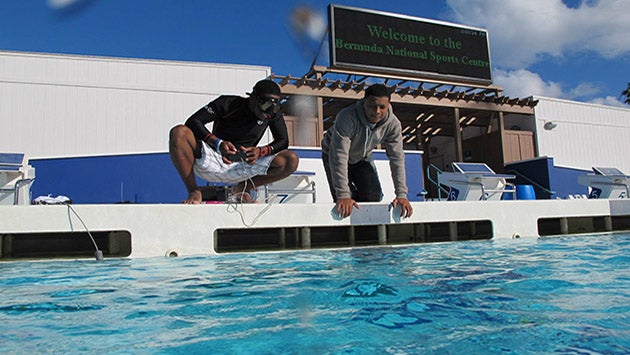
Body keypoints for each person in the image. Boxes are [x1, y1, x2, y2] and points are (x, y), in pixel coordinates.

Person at [169, 79, 299, 204]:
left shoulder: (272, 113)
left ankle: (242, 188)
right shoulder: (228, 103)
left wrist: (260, 152)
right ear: (253, 98)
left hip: (245, 164)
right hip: (216, 158)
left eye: (273, 109)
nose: (268, 114)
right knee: (179, 132)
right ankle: (194, 191)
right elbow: (193, 121)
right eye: (265, 107)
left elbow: (283, 141)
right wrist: (218, 143)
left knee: (291, 160)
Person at [321, 83, 413, 218]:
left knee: (373, 196)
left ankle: (365, 233)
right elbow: (339, 156)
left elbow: (397, 158)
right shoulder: (347, 117)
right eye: (372, 106)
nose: (377, 111)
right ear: (364, 102)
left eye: (382, 107)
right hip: (333, 155)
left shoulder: (393, 125)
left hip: (362, 157)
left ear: (388, 106)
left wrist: (401, 195)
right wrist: (343, 194)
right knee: (343, 201)